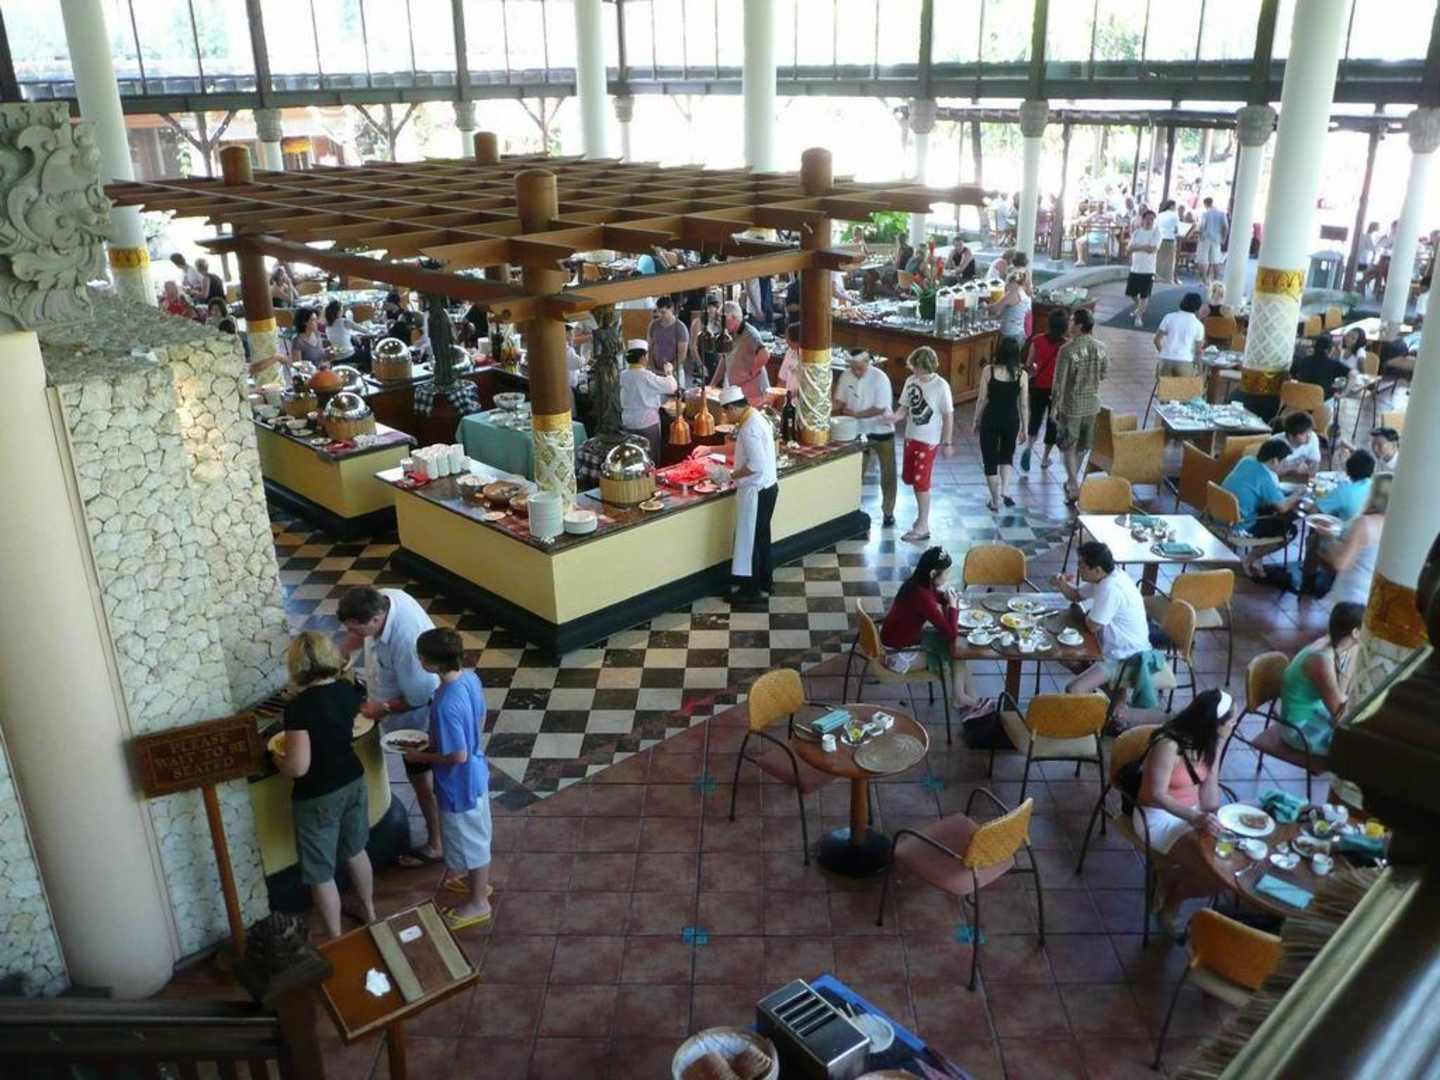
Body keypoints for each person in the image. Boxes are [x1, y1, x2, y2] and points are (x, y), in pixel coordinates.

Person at [272, 632, 376, 938]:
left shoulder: (299, 708)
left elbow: (298, 766)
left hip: (318, 794)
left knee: (320, 872)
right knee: (356, 850)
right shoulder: (347, 690)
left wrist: (277, 759)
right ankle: (371, 912)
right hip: (353, 779)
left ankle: (336, 937)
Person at [337, 586, 443, 867]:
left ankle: (437, 844)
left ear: (376, 619)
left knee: (423, 779)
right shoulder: (381, 599)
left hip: (417, 720)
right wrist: (340, 654)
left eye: (357, 630)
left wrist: (382, 708)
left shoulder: (406, 639)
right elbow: (356, 636)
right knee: (420, 777)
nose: (352, 635)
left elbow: (420, 697)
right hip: (395, 702)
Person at [403, 628, 493, 930]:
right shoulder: (470, 679)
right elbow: (479, 720)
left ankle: (479, 901)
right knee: (475, 834)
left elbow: (457, 755)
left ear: (430, 663)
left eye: (420, 657)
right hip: (475, 773)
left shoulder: (444, 702)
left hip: (459, 784)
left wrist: (420, 758)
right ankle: (477, 884)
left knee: (472, 842)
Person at [1134, 689, 1239, 934]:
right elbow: (1158, 795)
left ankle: (1170, 884)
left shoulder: (1213, 741)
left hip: (1193, 813)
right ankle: (1171, 904)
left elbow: (1210, 785)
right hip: (1158, 817)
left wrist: (1214, 817)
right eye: (1231, 720)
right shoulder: (1168, 745)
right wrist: (1196, 818)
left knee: (1227, 865)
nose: (1234, 724)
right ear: (1214, 723)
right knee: (1216, 876)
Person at [879, 547, 993, 718]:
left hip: (899, 641)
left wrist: (944, 596)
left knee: (957, 648)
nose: (948, 577)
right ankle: (962, 698)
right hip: (897, 656)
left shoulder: (917, 584)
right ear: (933, 573)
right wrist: (953, 606)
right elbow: (950, 633)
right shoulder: (922, 597)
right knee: (956, 649)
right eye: (946, 573)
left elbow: (933, 596)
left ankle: (969, 701)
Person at [1051, 541, 1151, 697]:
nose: (1078, 568)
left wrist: (1089, 615)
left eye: (1082, 566)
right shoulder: (1106, 576)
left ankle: (1115, 696)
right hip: (1111, 646)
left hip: (1126, 656)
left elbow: (1092, 626)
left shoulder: (1110, 588)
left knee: (1073, 689)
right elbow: (1076, 595)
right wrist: (1061, 584)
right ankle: (1115, 694)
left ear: (1097, 569)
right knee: (1066, 657)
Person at [1278, 602, 1364, 758]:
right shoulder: (1321, 660)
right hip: (1298, 730)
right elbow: (1339, 715)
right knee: (1358, 751)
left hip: (1316, 713)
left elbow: (1341, 694)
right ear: (1356, 632)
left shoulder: (1335, 642)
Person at [717, 385, 778, 600]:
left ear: (733, 408)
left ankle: (750, 591)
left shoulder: (749, 427)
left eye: (727, 412)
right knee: (761, 538)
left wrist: (731, 475)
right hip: (768, 487)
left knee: (750, 541)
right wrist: (712, 450)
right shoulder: (754, 417)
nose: (727, 417)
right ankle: (765, 583)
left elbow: (756, 465)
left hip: (757, 490)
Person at [889, 345, 954, 544]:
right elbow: (903, 409)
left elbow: (948, 415)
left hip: (928, 442)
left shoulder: (941, 386)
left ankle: (923, 525)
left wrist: (947, 442)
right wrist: (892, 418)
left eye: (917, 368)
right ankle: (920, 519)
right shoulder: (911, 381)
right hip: (911, 438)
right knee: (910, 479)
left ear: (926, 367)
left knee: (921, 482)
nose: (914, 371)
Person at [1220, 437, 1304, 576]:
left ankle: (1257, 559)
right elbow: (1283, 506)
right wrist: (1298, 493)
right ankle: (1250, 558)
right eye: (1284, 461)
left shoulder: (1247, 460)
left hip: (1221, 514)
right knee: (1289, 530)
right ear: (1275, 460)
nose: (1285, 465)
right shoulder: (1265, 477)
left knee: (1271, 513)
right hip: (1240, 526)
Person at [832, 349, 897, 527]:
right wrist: (825, 408)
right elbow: (839, 401)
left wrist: (857, 414)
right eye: (853, 368)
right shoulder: (846, 376)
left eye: (860, 368)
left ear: (868, 363)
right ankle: (850, 510)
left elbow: (881, 408)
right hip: (858, 431)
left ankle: (888, 511)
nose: (856, 371)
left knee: (888, 473)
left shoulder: (880, 378)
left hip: (881, 430)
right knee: (855, 471)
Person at [1052, 307, 1109, 502]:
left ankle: (1073, 484)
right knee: (1083, 446)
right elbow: (1104, 373)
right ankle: (1072, 481)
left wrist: (1054, 407)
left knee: (1069, 445)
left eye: (1072, 321)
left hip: (1072, 405)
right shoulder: (1101, 347)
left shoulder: (1067, 350)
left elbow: (1059, 383)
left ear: (1080, 325)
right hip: (1092, 404)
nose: (1068, 324)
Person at [1307, 472, 1389, 603]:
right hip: (1373, 595)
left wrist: (1328, 537)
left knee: (1313, 543)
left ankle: (1307, 583)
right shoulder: (1397, 526)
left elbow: (1340, 562)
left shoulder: (1365, 523)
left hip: (1353, 593)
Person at [972, 336, 1029, 512]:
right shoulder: (1021, 375)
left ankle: (995, 501)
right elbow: (1024, 404)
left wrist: (976, 420)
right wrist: (1025, 428)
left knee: (990, 461)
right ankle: (1005, 489)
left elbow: (982, 399)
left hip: (990, 419)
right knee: (1006, 455)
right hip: (1011, 420)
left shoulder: (988, 371)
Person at [1020, 307, 1066, 473]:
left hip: (1038, 386)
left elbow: (1029, 365)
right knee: (1052, 422)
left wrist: (1035, 367)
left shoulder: (1037, 340)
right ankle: (1045, 458)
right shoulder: (1066, 345)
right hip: (1057, 389)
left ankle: (1029, 448)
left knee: (1035, 418)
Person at [619, 339, 676, 462]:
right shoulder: (645, 375)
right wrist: (669, 372)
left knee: (633, 458)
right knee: (650, 458)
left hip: (628, 422)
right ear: (643, 357)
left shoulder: (623, 374)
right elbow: (671, 387)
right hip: (646, 423)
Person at [709, 300, 770, 405]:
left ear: (733, 317)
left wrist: (751, 373)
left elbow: (764, 354)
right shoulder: (728, 335)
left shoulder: (750, 334)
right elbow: (724, 359)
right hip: (739, 391)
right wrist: (712, 384)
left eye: (723, 319)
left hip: (754, 392)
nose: (720, 323)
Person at [1153, 292, 1205, 378]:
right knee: (1182, 386)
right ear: (1198, 307)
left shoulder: (1169, 317)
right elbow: (1198, 351)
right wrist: (1200, 370)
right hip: (1185, 361)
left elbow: (1156, 340)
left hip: (1165, 360)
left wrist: (1164, 353)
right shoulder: (1198, 325)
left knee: (1164, 386)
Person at [1315, 448, 1374, 521]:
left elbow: (1317, 509)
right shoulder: (1374, 486)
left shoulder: (1344, 491)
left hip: (1346, 527)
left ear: (1348, 470)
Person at [646, 295, 691, 387]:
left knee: (675, 394)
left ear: (671, 309)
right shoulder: (654, 325)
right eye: (659, 312)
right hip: (656, 371)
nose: (660, 316)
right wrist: (652, 366)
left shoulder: (680, 328)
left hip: (674, 372)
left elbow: (682, 355)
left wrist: (669, 369)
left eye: (663, 312)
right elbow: (649, 347)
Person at [1125, 209, 1160, 326]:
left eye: (1152, 219)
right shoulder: (1136, 232)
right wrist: (1144, 246)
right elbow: (1129, 249)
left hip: (1148, 270)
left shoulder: (1156, 233)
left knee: (1144, 295)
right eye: (1147, 219)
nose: (1149, 221)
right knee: (1131, 293)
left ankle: (1139, 316)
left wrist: (1137, 247)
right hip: (1135, 268)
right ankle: (1140, 307)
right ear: (1142, 219)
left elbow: (1152, 249)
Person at [1291, 333, 1349, 401]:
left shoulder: (1302, 361)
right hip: (1320, 403)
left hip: (1300, 400)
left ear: (1314, 348)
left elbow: (1292, 374)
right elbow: (1353, 374)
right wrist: (1343, 394)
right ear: (1329, 349)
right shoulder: (1334, 364)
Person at [1277, 411, 1321, 479]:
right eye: (1303, 434)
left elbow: (1315, 464)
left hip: (1300, 480)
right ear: (1291, 435)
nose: (1309, 436)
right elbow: (1272, 471)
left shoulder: (1313, 437)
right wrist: (1294, 468)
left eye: (1309, 431)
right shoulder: (1277, 444)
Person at [991, 270, 1031, 346]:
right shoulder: (1024, 294)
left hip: (1010, 335)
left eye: (1008, 283)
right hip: (1020, 333)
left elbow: (995, 310)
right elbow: (1007, 312)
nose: (1007, 286)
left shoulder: (1012, 294)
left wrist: (986, 307)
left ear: (1013, 282)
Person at [1196, 196, 1228, 286]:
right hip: (1217, 239)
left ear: (1205, 204)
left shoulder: (1205, 214)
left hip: (1205, 239)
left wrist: (1200, 236)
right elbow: (1226, 227)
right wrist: (1223, 239)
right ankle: (1216, 282)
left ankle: (1205, 281)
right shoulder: (1222, 213)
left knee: (1202, 261)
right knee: (1215, 261)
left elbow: (1201, 226)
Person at [1154, 199, 1180, 285]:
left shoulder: (1160, 215)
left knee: (1159, 259)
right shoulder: (1174, 215)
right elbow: (1176, 229)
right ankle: (1168, 278)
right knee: (1169, 260)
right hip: (1169, 239)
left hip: (1160, 238)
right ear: (1172, 206)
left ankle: (1157, 277)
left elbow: (1156, 226)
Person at [776, 321, 802, 395]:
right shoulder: (790, 352)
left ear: (796, 341)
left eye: (787, 338)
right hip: (788, 398)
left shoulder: (810, 358)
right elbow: (782, 380)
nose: (786, 340)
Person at [1356, 221, 1380, 295]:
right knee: (1377, 272)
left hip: (1360, 261)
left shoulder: (1364, 235)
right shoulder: (1368, 236)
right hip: (1362, 262)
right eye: (1378, 227)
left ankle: (1362, 283)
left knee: (1375, 271)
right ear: (1374, 227)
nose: (1379, 228)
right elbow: (1373, 248)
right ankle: (1362, 283)